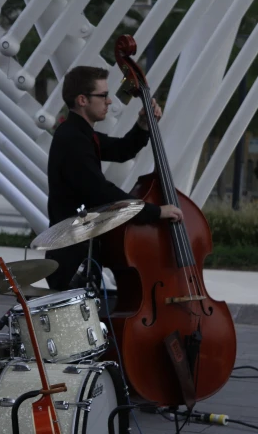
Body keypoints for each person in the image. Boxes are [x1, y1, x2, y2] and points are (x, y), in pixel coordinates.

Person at [45, 65, 184, 291]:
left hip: (81, 249)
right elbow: (101, 192)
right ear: (82, 100)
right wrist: (155, 211)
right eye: (103, 95)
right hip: (71, 255)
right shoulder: (72, 139)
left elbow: (121, 150)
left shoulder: (81, 134)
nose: (109, 101)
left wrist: (142, 126)